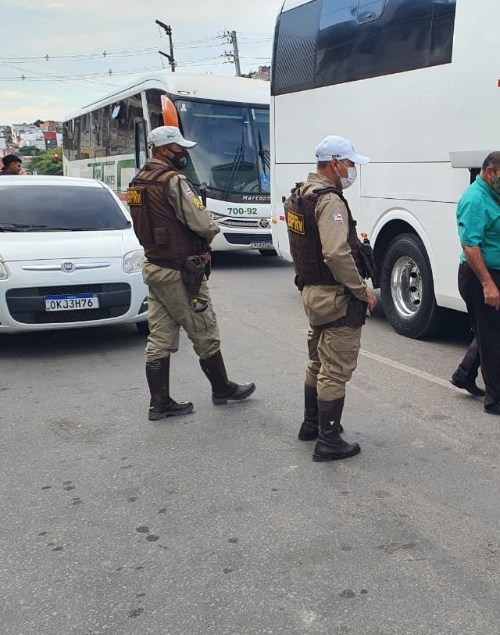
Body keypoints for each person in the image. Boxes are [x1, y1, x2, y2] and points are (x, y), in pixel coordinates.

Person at [128, 125, 255, 422]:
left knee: (160, 335)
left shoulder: (138, 181)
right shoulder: (173, 180)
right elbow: (201, 221)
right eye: (179, 148)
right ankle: (222, 388)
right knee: (204, 328)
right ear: (163, 149)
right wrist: (208, 235)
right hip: (181, 271)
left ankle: (160, 403)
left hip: (156, 267)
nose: (183, 153)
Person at [286, 135, 377, 462]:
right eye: (350, 163)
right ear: (336, 163)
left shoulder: (300, 194)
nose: (352, 170)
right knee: (334, 371)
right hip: (337, 298)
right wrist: (361, 290)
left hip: (313, 293)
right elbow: (336, 254)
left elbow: (304, 247)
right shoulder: (329, 201)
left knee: (317, 362)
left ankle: (311, 424)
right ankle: (329, 440)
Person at [450, 151, 500, 417]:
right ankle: (494, 399)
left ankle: (463, 375)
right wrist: (488, 284)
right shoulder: (475, 199)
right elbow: (470, 246)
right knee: (492, 338)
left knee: (487, 330)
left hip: (494, 276)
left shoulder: (491, 195)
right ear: (490, 171)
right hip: (482, 277)